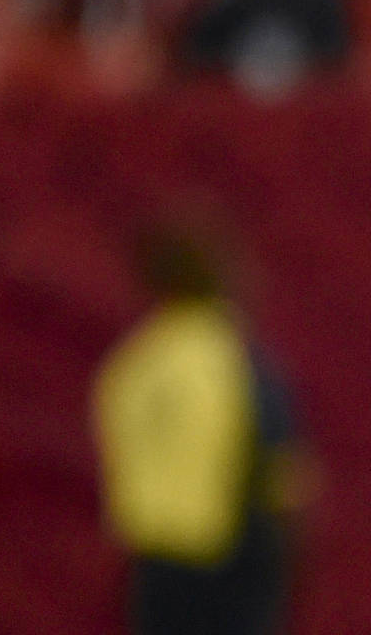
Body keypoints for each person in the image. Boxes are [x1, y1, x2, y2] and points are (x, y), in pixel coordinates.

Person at [92, 225, 311, 635]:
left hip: (156, 556)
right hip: (235, 555)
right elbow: (282, 473)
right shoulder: (239, 362)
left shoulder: (134, 365)